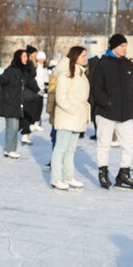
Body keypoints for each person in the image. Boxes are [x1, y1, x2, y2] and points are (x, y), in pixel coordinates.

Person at [89, 33, 133, 190]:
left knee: (131, 143)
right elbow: (95, 88)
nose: (125, 48)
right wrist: (107, 102)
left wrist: (132, 106)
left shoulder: (127, 64)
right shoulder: (103, 64)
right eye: (121, 46)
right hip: (106, 112)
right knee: (104, 144)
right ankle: (103, 172)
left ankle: (123, 174)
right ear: (113, 47)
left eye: (126, 45)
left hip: (124, 114)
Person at [49, 46, 90, 191]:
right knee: (60, 149)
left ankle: (68, 176)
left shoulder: (81, 74)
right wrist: (75, 110)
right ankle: (56, 178)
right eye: (83, 55)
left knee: (71, 149)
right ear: (75, 57)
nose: (86, 58)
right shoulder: (65, 75)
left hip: (77, 118)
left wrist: (82, 112)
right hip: (67, 117)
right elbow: (61, 98)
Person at [0, 50, 37, 159]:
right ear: (18, 57)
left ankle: (9, 149)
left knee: (14, 127)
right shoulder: (11, 71)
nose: (26, 58)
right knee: (12, 127)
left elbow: (31, 81)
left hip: (17, 103)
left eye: (26, 56)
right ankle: (10, 150)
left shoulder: (23, 71)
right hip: (9, 103)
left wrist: (38, 90)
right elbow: (0, 80)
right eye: (24, 56)